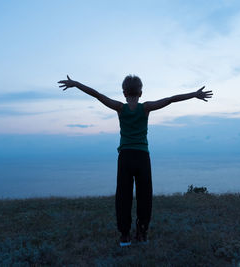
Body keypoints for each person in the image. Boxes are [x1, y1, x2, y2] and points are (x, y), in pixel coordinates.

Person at [58, 75, 212, 246]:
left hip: (125, 157)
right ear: (141, 92)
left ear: (124, 92)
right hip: (142, 157)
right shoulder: (145, 108)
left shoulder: (119, 108)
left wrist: (76, 84)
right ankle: (142, 233)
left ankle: (125, 235)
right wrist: (194, 94)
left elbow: (97, 95)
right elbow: (171, 100)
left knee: (123, 196)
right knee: (144, 196)